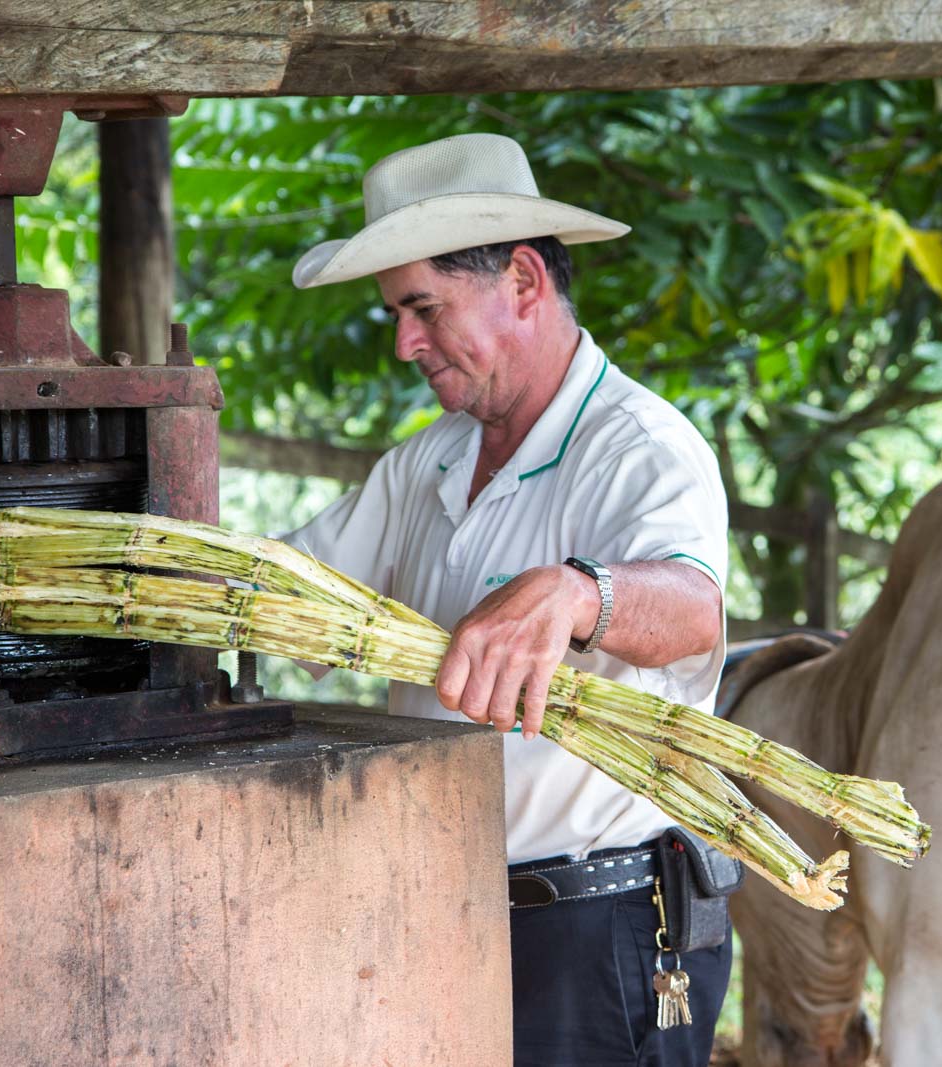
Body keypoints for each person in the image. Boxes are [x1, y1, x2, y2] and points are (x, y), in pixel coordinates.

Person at [287, 132, 732, 1066]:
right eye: (397, 313)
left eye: (423, 307)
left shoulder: (640, 446)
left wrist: (578, 593)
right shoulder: (432, 458)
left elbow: (692, 606)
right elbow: (299, 588)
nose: (406, 341)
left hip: (597, 932)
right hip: (441, 906)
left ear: (523, 281)